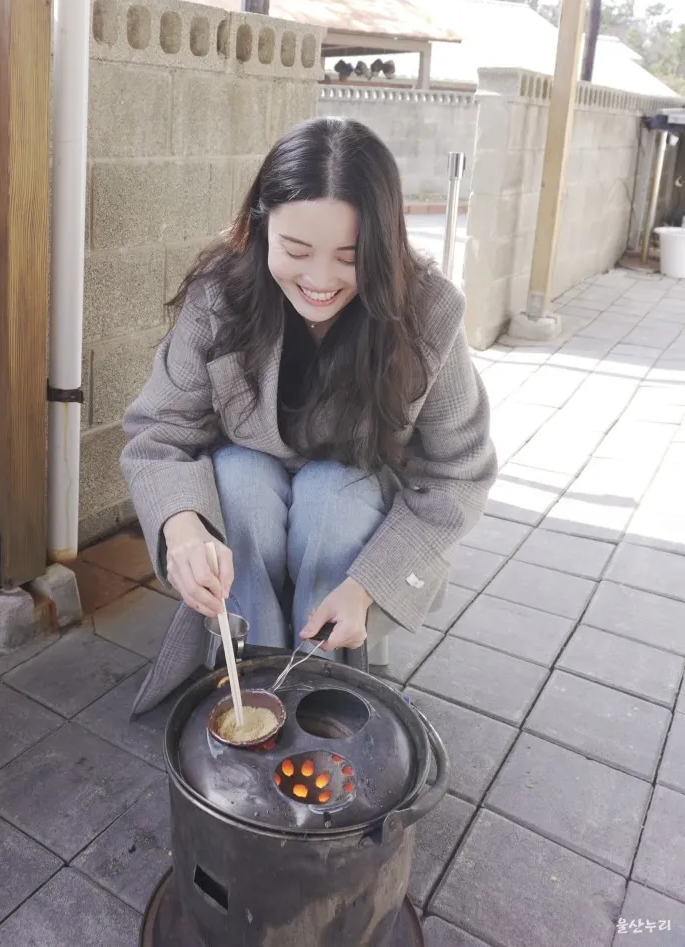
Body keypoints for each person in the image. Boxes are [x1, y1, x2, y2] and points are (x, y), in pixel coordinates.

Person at [122, 116, 496, 660]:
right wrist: (181, 528)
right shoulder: (220, 295)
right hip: (248, 499)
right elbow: (161, 428)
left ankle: (326, 669)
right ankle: (249, 661)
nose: (320, 282)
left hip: (351, 510)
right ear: (261, 226)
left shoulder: (427, 311)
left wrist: (369, 585)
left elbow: (459, 472)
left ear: (386, 245)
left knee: (330, 493)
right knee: (240, 477)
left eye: (350, 258)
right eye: (296, 251)